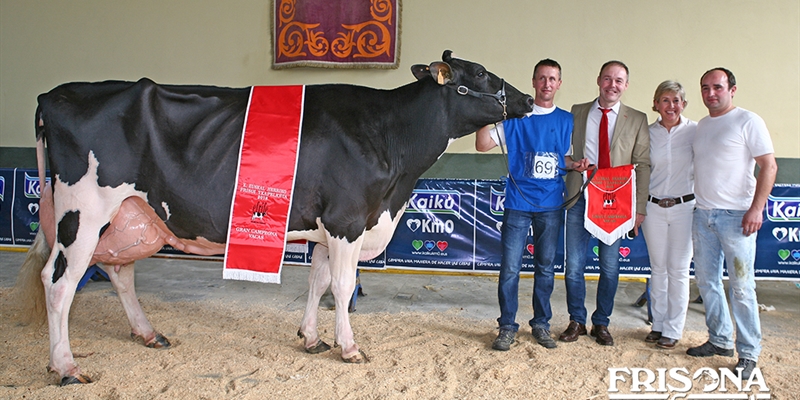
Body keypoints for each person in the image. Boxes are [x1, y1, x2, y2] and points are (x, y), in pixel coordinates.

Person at [475, 59, 586, 351]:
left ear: (559, 84)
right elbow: (483, 144)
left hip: (551, 205)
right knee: (510, 269)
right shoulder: (515, 118)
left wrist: (575, 165)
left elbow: (560, 158)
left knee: (545, 269)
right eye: (542, 78)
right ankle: (507, 327)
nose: (547, 84)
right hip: (517, 204)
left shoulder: (566, 120)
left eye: (552, 79)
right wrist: (484, 112)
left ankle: (541, 324)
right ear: (534, 82)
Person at [687, 67, 777, 380]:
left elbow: (769, 166)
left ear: (732, 89)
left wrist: (756, 208)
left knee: (741, 288)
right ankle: (720, 340)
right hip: (703, 216)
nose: (711, 93)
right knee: (707, 283)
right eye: (705, 88)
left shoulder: (748, 121)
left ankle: (749, 354)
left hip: (737, 218)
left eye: (717, 87)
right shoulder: (701, 126)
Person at [559, 61, 650, 346]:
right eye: (608, 79)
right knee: (573, 266)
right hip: (580, 198)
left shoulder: (636, 118)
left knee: (609, 268)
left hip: (615, 205)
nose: (613, 85)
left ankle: (602, 322)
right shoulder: (577, 112)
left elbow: (643, 164)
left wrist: (639, 209)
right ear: (599, 80)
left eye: (619, 80)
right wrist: (572, 164)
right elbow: (562, 153)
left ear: (626, 85)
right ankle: (576, 320)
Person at [640, 80, 696, 350]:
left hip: (685, 208)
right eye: (665, 100)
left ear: (683, 104)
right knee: (658, 268)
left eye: (676, 100)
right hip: (653, 208)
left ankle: (674, 328)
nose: (670, 106)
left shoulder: (696, 131)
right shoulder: (648, 133)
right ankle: (658, 324)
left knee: (679, 270)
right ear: (656, 104)